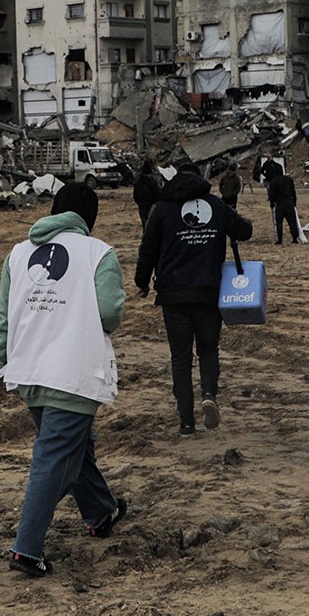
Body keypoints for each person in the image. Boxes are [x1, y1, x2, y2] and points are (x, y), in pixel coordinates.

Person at [0, 181, 128, 577]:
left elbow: (3, 318)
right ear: (90, 218)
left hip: (29, 371)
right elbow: (110, 313)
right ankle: (26, 549)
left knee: (72, 448)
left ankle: (101, 511)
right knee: (53, 459)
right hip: (73, 373)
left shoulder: (18, 254)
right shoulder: (98, 253)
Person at [136, 163, 252, 434]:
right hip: (209, 293)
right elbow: (244, 232)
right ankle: (209, 395)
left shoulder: (162, 209)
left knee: (180, 358)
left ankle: (186, 421)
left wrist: (141, 282)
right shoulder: (216, 205)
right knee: (209, 351)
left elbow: (148, 249)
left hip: (173, 295)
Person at [267, 165, 302, 245]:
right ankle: (294, 238)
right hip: (289, 202)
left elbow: (272, 195)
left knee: (279, 222)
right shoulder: (289, 180)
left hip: (280, 204)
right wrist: (294, 203)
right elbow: (293, 192)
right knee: (292, 222)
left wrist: (272, 204)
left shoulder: (273, 182)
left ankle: (279, 239)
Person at [216, 163, 243, 250]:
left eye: (233, 171)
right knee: (223, 211)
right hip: (225, 197)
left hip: (233, 197)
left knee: (233, 211)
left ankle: (233, 224)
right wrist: (222, 191)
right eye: (231, 171)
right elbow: (220, 185)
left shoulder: (236, 179)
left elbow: (238, 187)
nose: (231, 173)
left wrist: (233, 193)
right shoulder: (224, 178)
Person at [131, 159, 162, 228]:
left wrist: (140, 203)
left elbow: (135, 196)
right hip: (151, 207)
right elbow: (157, 195)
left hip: (142, 207)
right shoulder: (152, 183)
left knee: (145, 223)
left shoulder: (138, 182)